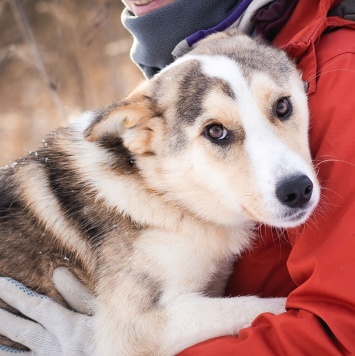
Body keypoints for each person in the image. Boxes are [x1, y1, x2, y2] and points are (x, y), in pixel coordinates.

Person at [1, 0, 355, 354]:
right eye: (217, 132)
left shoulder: (334, 68)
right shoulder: (147, 149)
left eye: (281, 108)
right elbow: (142, 331)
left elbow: (336, 329)